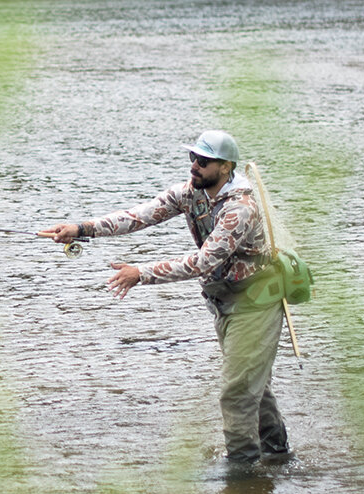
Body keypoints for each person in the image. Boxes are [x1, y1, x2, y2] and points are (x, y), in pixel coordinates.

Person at [38, 130, 291, 467]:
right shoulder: (191, 193)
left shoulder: (240, 209)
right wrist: (81, 229)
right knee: (250, 384)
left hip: (256, 304)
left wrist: (140, 273)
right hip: (223, 301)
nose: (194, 167)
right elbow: (138, 216)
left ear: (226, 167)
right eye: (192, 158)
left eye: (203, 161)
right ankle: (277, 455)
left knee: (237, 392)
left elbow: (203, 262)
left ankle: (242, 474)